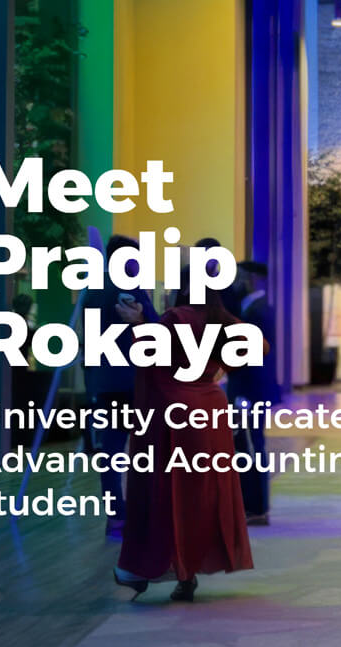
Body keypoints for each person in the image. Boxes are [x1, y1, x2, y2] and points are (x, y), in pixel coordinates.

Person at [111, 266, 254, 602]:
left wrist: (136, 324)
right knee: (205, 496)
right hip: (212, 409)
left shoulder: (177, 316)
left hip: (178, 411)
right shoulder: (223, 318)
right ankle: (186, 576)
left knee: (171, 494)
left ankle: (164, 570)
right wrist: (219, 368)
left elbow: (152, 353)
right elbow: (259, 345)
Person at [81, 236, 160, 538]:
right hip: (135, 381)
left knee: (112, 452)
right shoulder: (131, 289)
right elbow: (153, 326)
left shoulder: (92, 292)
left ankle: (116, 517)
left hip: (105, 382)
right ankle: (145, 512)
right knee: (146, 450)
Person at [227, 260, 280, 525]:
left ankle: (256, 506)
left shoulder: (259, 310)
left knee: (251, 445)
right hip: (248, 387)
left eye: (242, 276)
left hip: (249, 389)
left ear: (254, 279)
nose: (238, 281)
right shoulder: (253, 307)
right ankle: (253, 505)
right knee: (248, 445)